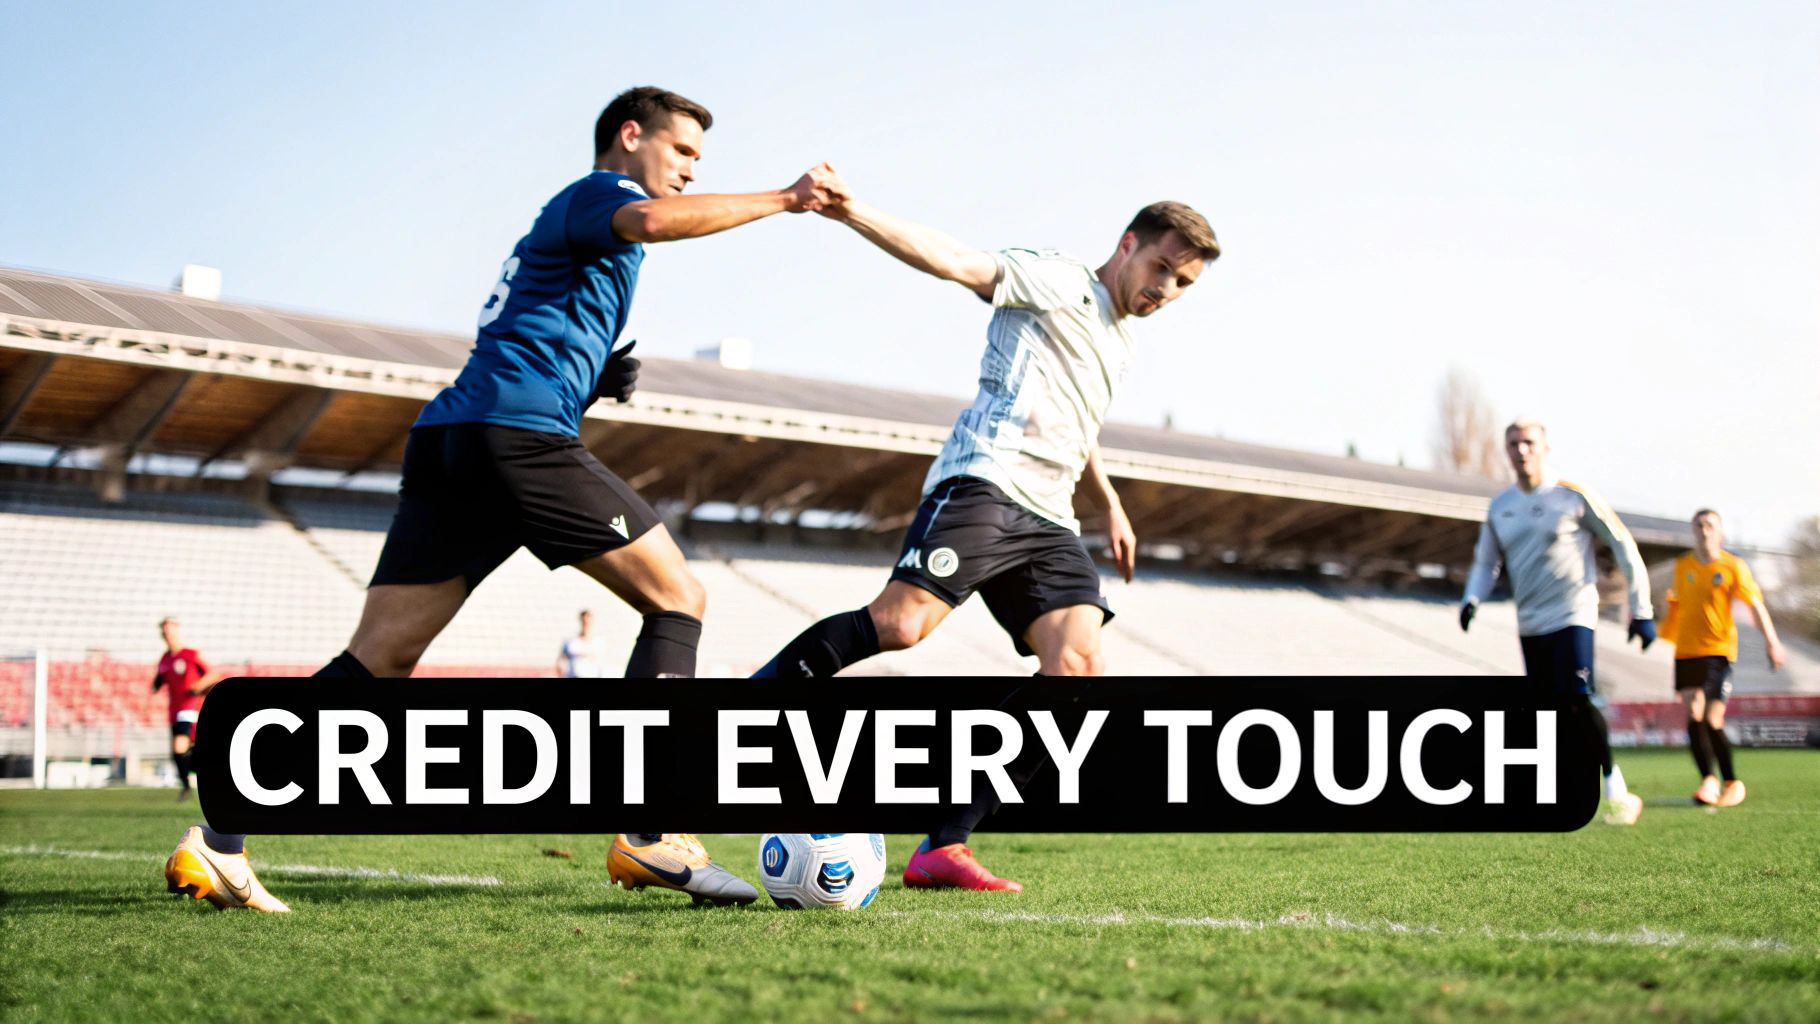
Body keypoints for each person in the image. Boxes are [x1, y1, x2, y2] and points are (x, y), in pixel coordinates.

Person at [165, 86, 846, 912]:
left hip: (457, 438)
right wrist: (785, 199)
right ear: (631, 137)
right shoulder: (606, 193)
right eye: (683, 152)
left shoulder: (582, 229)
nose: (691, 170)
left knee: (380, 660)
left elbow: (529, 332)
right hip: (512, 440)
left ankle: (219, 839)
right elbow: (656, 223)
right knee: (679, 597)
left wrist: (590, 382)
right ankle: (649, 831)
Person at [754, 190, 1219, 890]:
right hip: (988, 484)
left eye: (1183, 283)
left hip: (1051, 517)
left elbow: (1078, 424)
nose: (1167, 290)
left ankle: (943, 846)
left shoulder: (1120, 343)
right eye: (1162, 268)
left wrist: (1113, 505)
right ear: (1127, 244)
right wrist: (855, 213)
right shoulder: (1059, 280)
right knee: (902, 625)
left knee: (1079, 669)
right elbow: (957, 263)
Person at [1460, 418, 1655, 826]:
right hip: (1530, 622)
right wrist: (1471, 598)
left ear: (1546, 447)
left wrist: (1642, 609)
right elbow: (1486, 561)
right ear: (1507, 450)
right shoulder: (1501, 508)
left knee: (1576, 697)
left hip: (1574, 613)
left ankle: (1616, 788)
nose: (1522, 450)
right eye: (1513, 443)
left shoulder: (1573, 497)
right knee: (1547, 711)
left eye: (1529, 442)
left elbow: (1622, 545)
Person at [1661, 509, 1787, 807]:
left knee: (1712, 718)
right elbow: (1677, 607)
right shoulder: (1683, 566)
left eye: (1709, 525)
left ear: (1720, 533)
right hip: (1686, 652)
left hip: (1718, 651)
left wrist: (1772, 642)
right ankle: (1708, 780)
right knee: (1693, 716)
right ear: (1693, 530)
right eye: (1699, 525)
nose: (1703, 530)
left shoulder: (1733, 566)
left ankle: (1732, 782)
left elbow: (1755, 605)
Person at [150, 617, 224, 801]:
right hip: (173, 711)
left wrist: (199, 686)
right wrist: (155, 685)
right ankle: (194, 782)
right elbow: (159, 680)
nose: (168, 634)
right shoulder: (165, 659)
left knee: (179, 746)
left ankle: (189, 786)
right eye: (165, 632)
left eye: (171, 630)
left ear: (177, 631)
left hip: (189, 708)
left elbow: (213, 674)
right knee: (179, 753)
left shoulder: (190, 654)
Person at [555, 609, 606, 678]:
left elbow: (601, 664)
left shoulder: (598, 643)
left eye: (588, 622)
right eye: (584, 622)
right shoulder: (570, 642)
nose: (586, 624)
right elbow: (560, 662)